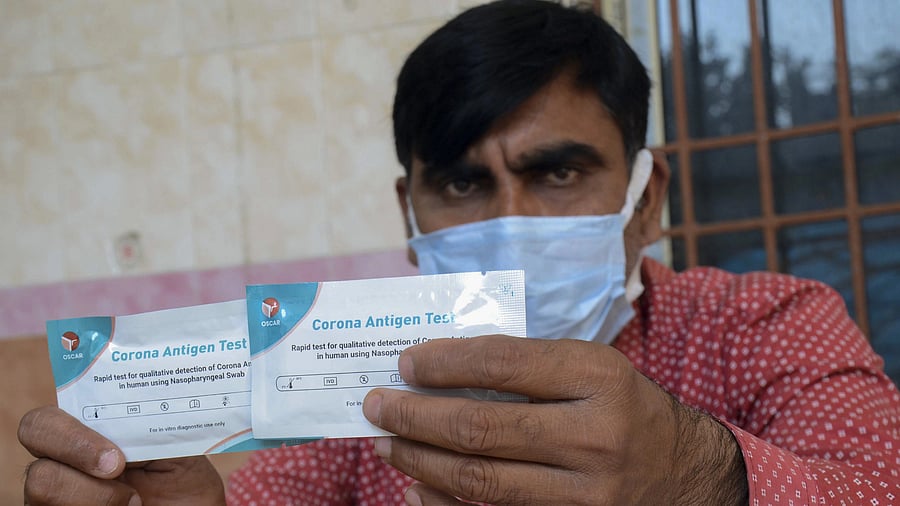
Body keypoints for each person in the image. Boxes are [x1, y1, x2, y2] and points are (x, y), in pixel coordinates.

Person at [18, 1, 900, 504]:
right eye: (462, 184)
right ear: (411, 211)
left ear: (647, 200)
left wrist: (704, 477)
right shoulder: (359, 387)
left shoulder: (767, 326)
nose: (508, 224)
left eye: (557, 173)